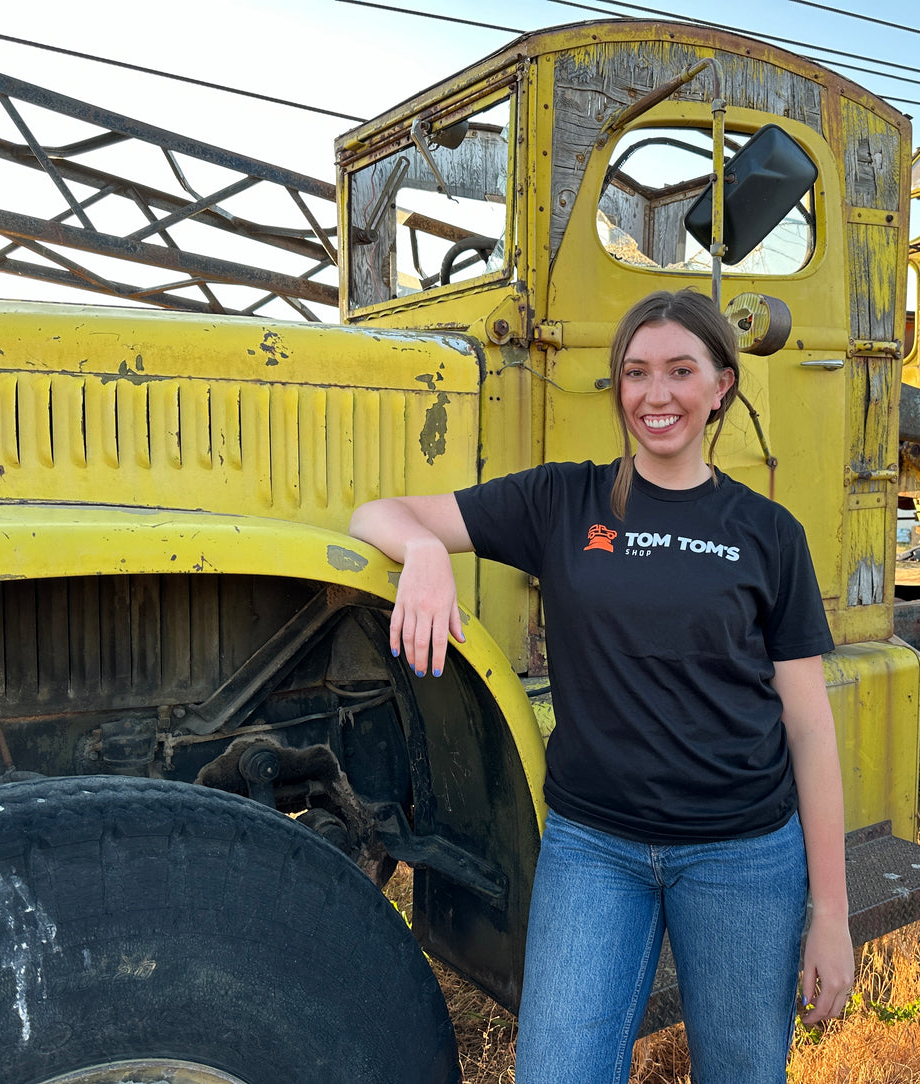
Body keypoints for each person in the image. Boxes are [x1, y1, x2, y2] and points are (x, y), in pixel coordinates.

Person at [349, 288, 853, 1084]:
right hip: (595, 850)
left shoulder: (767, 535)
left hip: (742, 854)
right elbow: (377, 512)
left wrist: (830, 914)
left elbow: (810, 729)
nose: (656, 396)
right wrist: (424, 554)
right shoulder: (561, 500)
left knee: (743, 1073)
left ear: (721, 384)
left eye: (680, 371)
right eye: (636, 373)